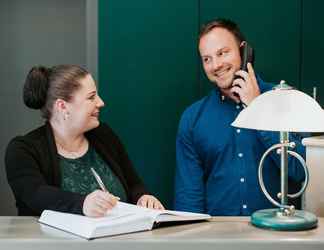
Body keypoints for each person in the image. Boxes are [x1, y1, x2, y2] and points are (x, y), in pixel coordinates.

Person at [174, 18, 305, 216]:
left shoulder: (287, 101)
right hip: (218, 239)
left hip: (278, 234)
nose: (216, 65)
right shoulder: (192, 119)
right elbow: (189, 199)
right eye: (207, 59)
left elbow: (302, 171)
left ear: (244, 52)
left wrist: (257, 107)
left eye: (222, 53)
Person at [5, 64, 164, 217]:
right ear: (62, 106)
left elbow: (133, 184)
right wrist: (83, 204)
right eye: (91, 97)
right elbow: (36, 195)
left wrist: (143, 197)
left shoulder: (103, 134)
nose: (101, 103)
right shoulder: (23, 149)